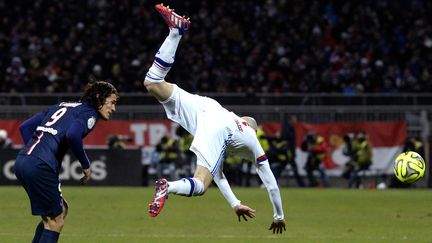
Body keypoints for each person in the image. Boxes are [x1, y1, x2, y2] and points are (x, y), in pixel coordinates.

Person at [145, 4, 285, 234]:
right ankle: (167, 186)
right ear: (252, 129)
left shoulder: (231, 117)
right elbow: (271, 184)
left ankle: (175, 32)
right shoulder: (252, 141)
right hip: (215, 127)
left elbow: (219, 173)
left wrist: (235, 203)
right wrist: (279, 215)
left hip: (205, 107)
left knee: (152, 83)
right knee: (200, 185)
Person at [14, 81, 118, 243]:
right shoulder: (89, 113)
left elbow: (25, 127)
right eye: (112, 102)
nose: (113, 108)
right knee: (56, 221)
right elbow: (73, 135)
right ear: (99, 97)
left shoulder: (62, 106)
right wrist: (85, 165)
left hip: (23, 160)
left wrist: (34, 153)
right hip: (40, 165)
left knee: (59, 211)